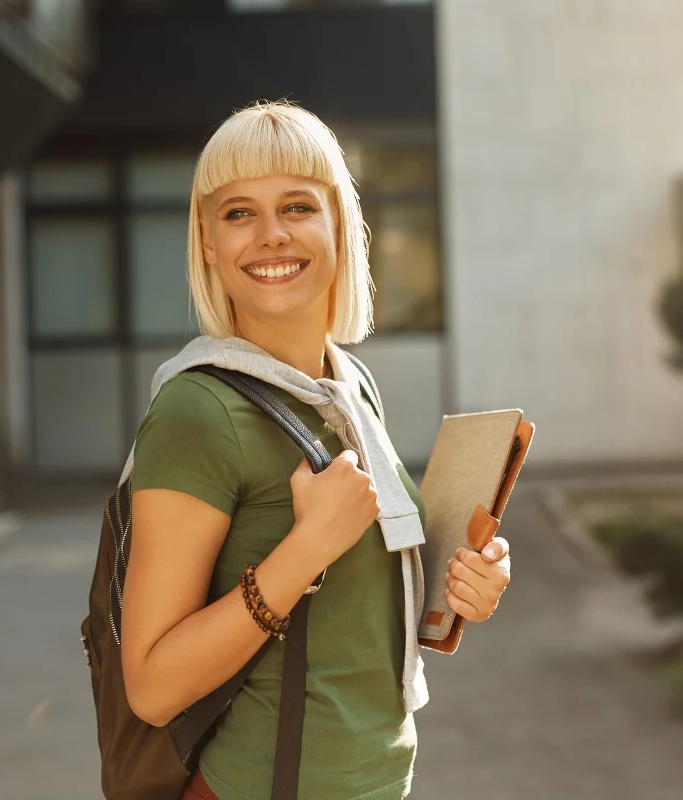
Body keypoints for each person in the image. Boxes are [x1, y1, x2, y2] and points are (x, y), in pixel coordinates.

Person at [118, 100, 512, 800]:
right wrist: (306, 548)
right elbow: (151, 686)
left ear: (338, 224)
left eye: (297, 206)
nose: (270, 236)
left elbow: (364, 611)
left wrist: (465, 584)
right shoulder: (197, 410)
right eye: (238, 213)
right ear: (208, 242)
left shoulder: (349, 385)